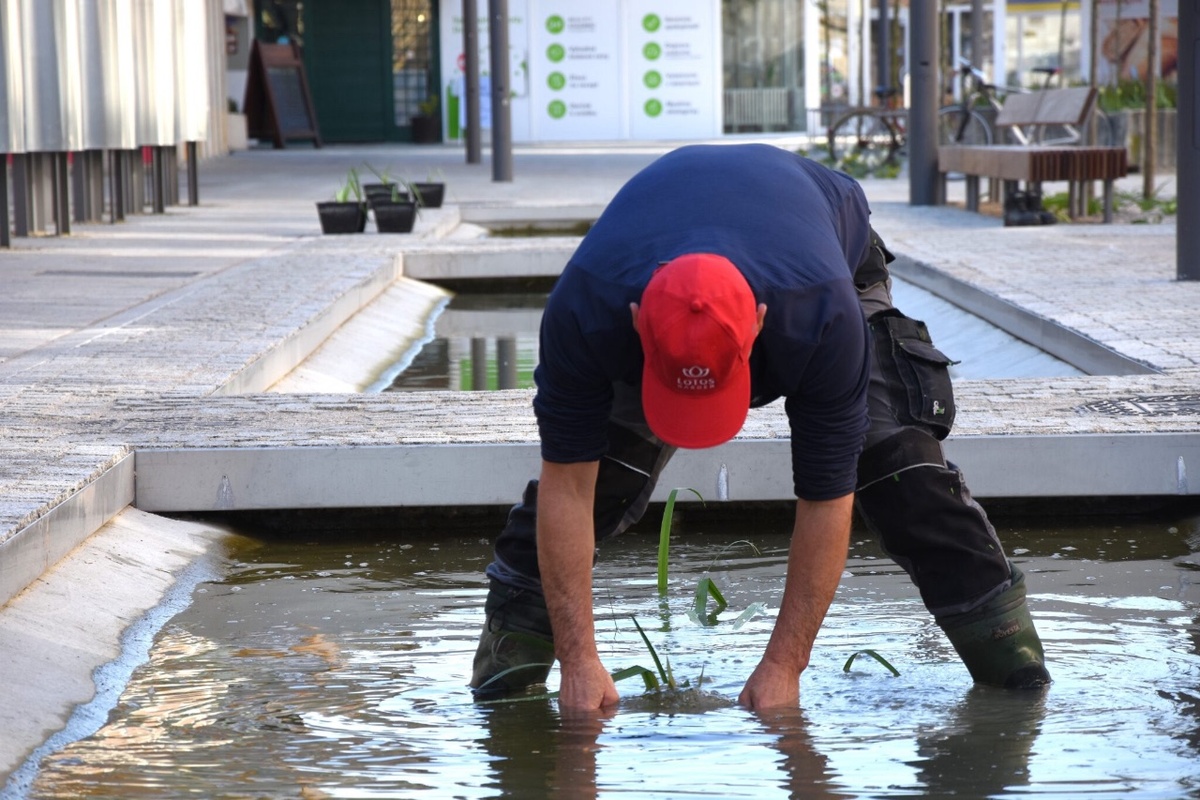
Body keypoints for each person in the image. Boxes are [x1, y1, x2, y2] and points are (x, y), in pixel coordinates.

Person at [469, 143, 1050, 711]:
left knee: (898, 472)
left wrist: (784, 664)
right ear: (636, 325)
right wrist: (580, 660)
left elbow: (827, 496)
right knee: (609, 475)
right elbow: (569, 487)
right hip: (665, 253)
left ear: (758, 327)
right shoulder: (584, 307)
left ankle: (1013, 675)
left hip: (827, 249)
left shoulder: (821, 313)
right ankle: (507, 679)